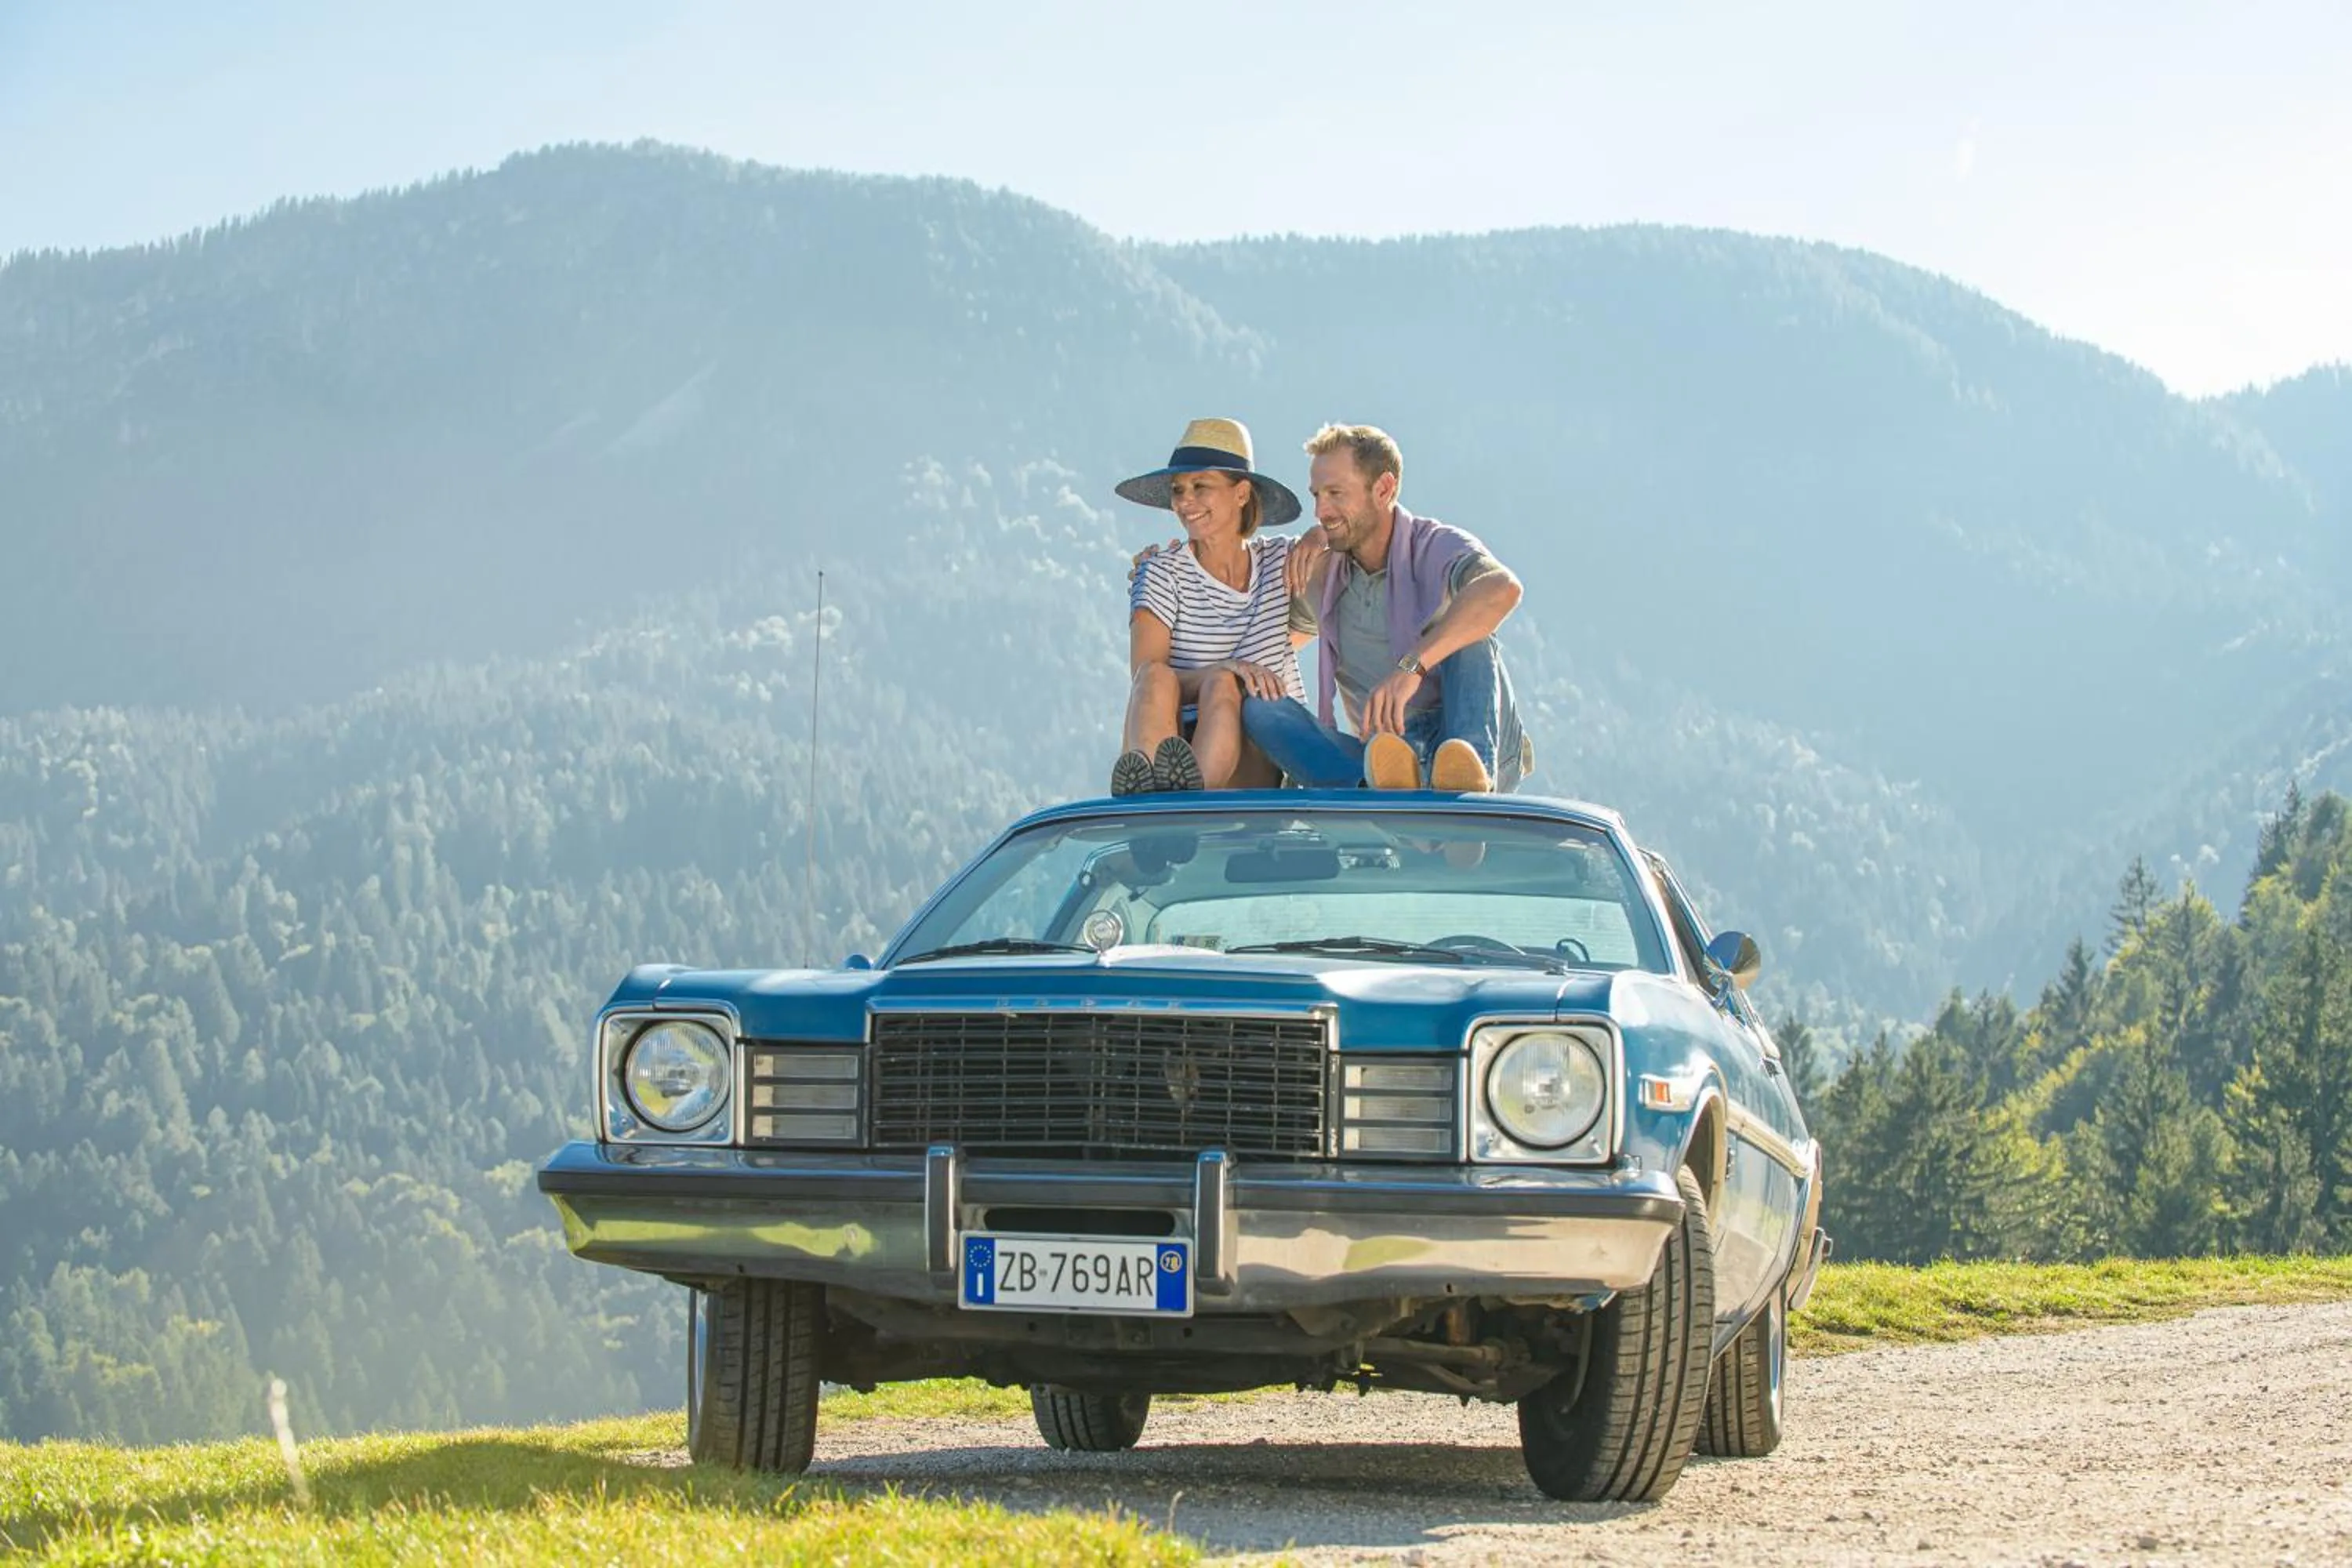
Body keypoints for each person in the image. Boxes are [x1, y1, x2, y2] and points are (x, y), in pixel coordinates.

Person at [1245, 423, 1531, 793]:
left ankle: (1470, 792)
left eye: (1335, 493)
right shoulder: (1321, 570)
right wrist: (1164, 566)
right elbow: (1258, 614)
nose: (1320, 510)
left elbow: (1502, 589)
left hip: (1470, 736)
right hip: (1388, 755)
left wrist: (1411, 667)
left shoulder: (1435, 546)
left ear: (1384, 489)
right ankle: (1372, 792)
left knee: (1472, 636)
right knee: (1260, 709)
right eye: (1317, 495)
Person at [1109, 418, 1315, 794]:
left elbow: (1350, 545)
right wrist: (1225, 669)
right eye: (1178, 490)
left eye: (1200, 486)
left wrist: (1317, 538)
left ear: (1241, 494)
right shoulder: (1160, 572)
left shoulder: (1283, 562)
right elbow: (1146, 680)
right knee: (1158, 676)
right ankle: (1164, 797)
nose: (1185, 501)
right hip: (1173, 740)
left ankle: (1177, 806)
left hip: (1257, 755)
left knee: (1224, 685)